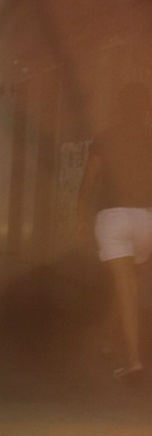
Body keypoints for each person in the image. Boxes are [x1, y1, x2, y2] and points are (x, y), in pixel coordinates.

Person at [77, 83, 152, 383]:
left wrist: (81, 221)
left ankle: (134, 362)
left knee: (125, 288)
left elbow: (89, 183)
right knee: (126, 287)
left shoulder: (105, 138)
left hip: (114, 219)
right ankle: (108, 340)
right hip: (147, 220)